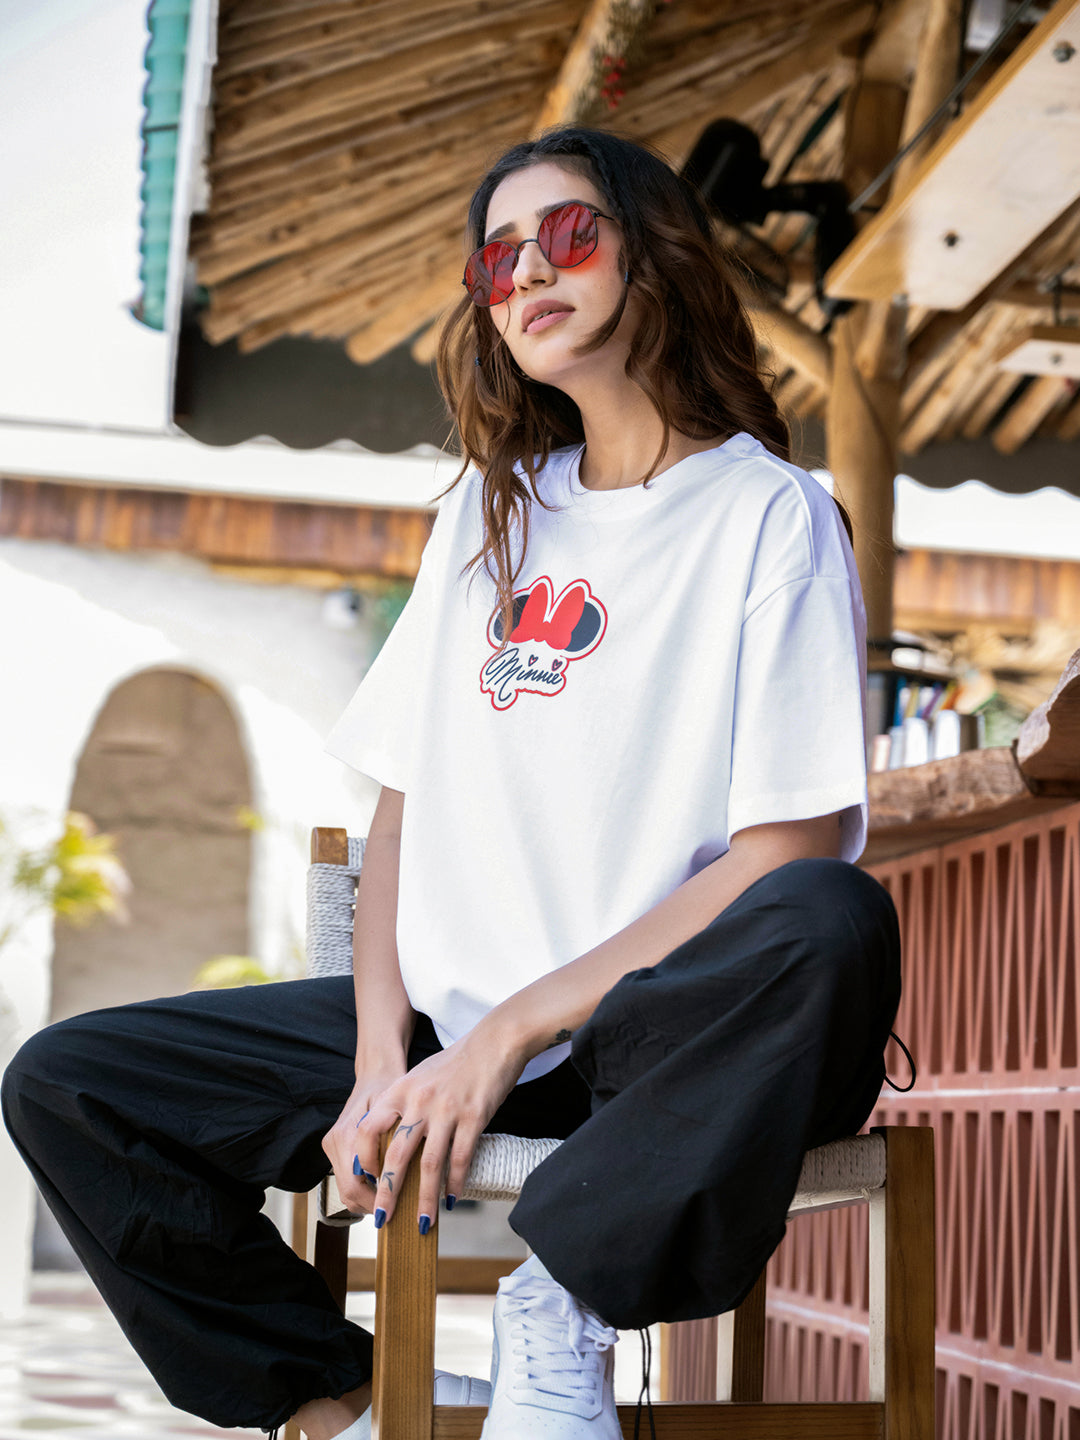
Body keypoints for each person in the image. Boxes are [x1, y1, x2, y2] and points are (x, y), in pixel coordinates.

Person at [3, 127, 901, 1440]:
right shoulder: (487, 516)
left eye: (570, 235)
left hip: (658, 1047)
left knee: (832, 919)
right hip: (445, 1022)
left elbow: (789, 850)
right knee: (73, 1083)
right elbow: (402, 814)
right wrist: (383, 1054)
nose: (528, 270)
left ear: (654, 255)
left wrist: (509, 1037)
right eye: (498, 257)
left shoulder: (770, 515)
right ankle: (343, 1406)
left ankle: (562, 1306)